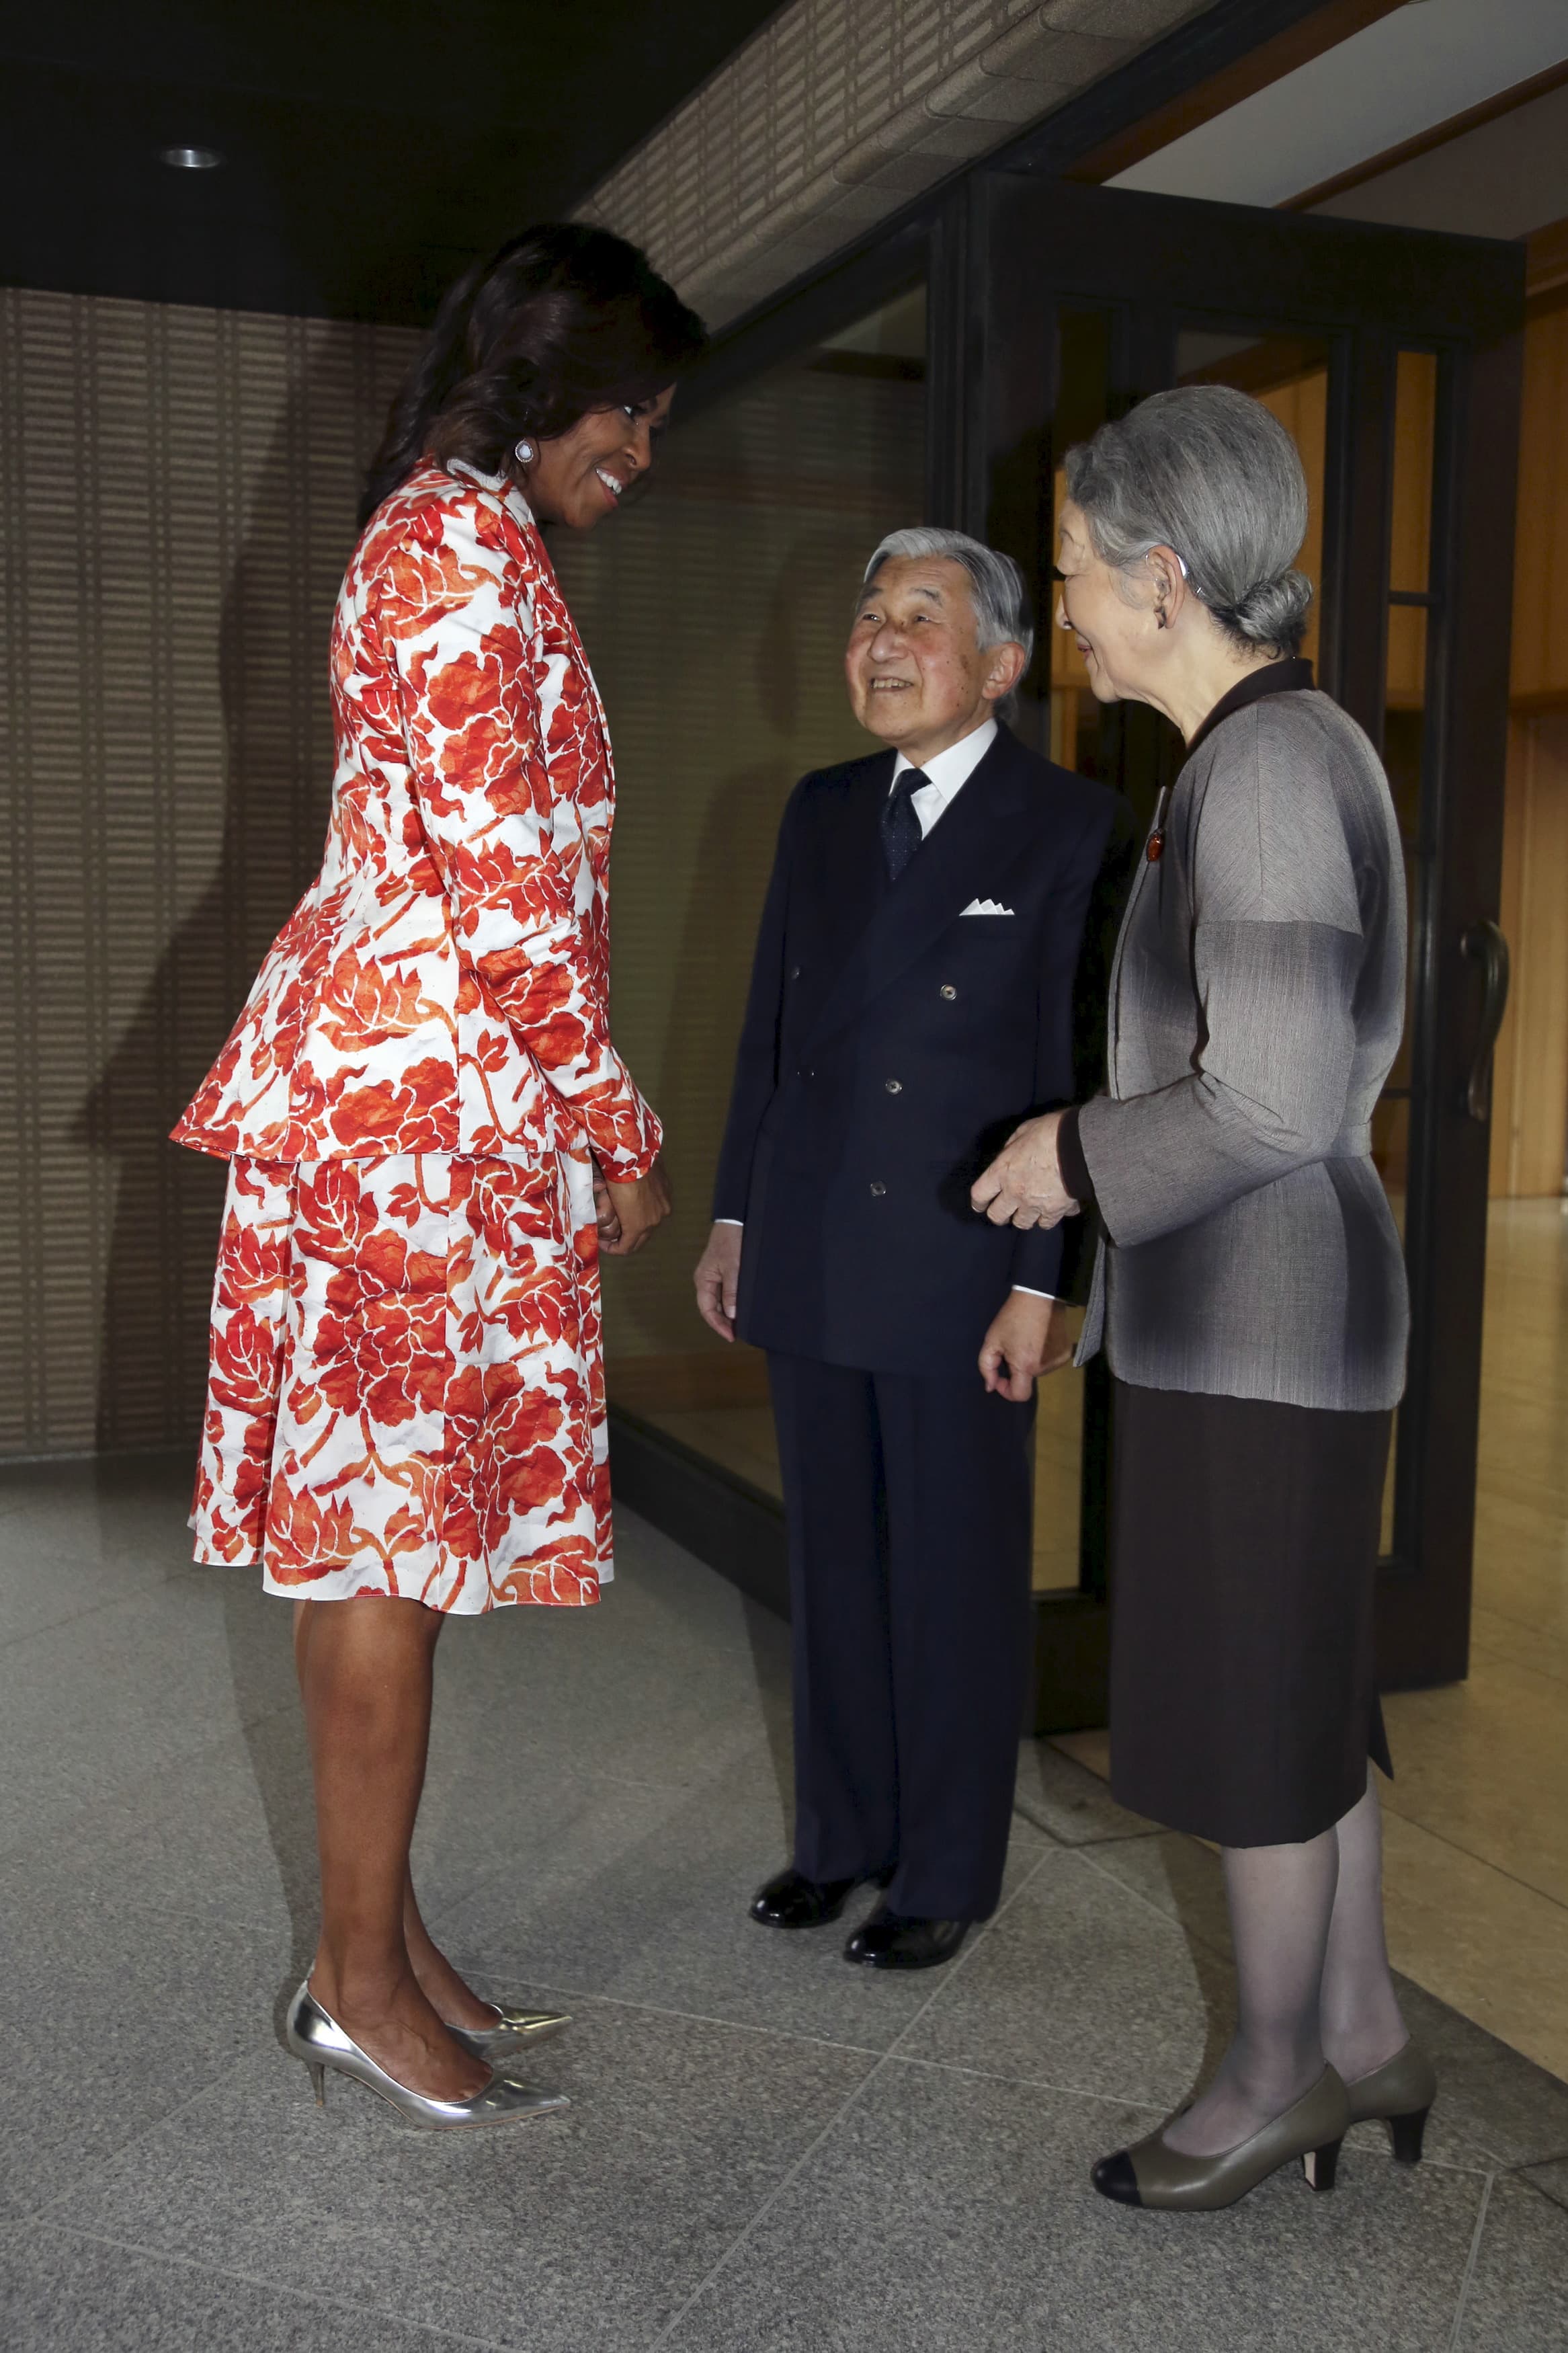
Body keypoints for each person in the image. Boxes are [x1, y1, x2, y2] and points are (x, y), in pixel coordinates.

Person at [175, 225, 704, 2129]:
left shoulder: (458, 536)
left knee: (387, 1553)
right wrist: (618, 1127)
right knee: (383, 1561)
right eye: (633, 409)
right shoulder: (457, 552)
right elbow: (508, 891)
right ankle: (351, 1978)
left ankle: (382, 1941)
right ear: (552, 377)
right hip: (412, 1126)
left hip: (418, 1109)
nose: (642, 448)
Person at [973, 383, 1432, 2210]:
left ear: (1164, 576)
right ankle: (1365, 2032)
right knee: (1303, 1693)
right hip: (1267, 1314)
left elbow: (1274, 1095)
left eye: (1074, 568)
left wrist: (1070, 1156)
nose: (1062, 605)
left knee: (1256, 1713)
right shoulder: (1266, 752)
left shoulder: (1266, 768)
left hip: (1263, 1322)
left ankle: (1269, 2079)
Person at [694, 529, 1130, 1970]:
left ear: (1001, 664)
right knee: (834, 1566)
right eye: (868, 613)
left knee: (951, 1576)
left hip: (965, 1250)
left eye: (919, 616)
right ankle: (842, 1841)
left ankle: (944, 1869)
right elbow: (770, 1031)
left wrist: (1043, 1283)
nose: (880, 639)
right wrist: (739, 1217)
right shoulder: (821, 809)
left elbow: (1080, 1067)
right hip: (817, 1239)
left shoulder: (1071, 823)